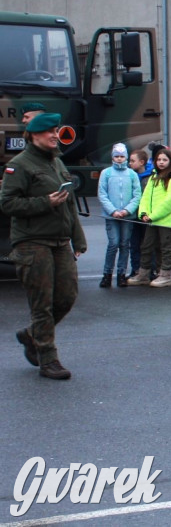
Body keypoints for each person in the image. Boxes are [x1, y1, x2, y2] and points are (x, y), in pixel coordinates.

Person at [1, 112, 87, 380]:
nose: (55, 135)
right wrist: (44, 203)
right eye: (49, 131)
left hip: (60, 241)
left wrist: (78, 239)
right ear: (34, 135)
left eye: (56, 129)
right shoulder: (20, 165)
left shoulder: (57, 162)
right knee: (42, 304)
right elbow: (7, 204)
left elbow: (70, 203)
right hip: (32, 242)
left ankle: (31, 335)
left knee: (67, 296)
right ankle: (48, 358)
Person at [128, 148, 171, 288]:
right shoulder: (153, 176)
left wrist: (153, 216)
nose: (161, 162)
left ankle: (165, 275)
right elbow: (145, 196)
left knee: (165, 248)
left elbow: (170, 200)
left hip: (165, 220)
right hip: (151, 220)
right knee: (146, 246)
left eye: (165, 160)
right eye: (159, 160)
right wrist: (144, 213)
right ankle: (143, 274)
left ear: (170, 161)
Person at [97, 143, 141, 288]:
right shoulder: (106, 173)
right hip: (112, 216)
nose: (120, 159)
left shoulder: (132, 174)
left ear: (126, 158)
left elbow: (137, 195)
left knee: (124, 244)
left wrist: (127, 211)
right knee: (113, 243)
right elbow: (102, 194)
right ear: (112, 158)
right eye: (117, 156)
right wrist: (113, 211)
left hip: (127, 216)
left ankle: (121, 274)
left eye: (122, 156)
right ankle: (107, 274)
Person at [128, 148, 155, 278]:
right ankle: (135, 269)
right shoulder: (130, 175)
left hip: (146, 215)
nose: (130, 163)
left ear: (142, 162)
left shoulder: (151, 177)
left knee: (148, 243)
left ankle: (151, 269)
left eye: (133, 161)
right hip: (133, 215)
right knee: (134, 243)